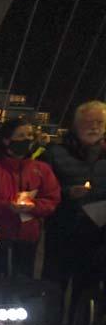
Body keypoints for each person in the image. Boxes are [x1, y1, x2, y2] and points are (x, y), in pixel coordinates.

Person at [0, 118, 60, 281]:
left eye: (29, 135)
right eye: (20, 135)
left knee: (20, 283)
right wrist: (6, 206)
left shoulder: (41, 169)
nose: (26, 139)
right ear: (7, 140)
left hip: (27, 237)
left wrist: (33, 206)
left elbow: (52, 200)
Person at [41, 100, 106, 310]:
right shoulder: (55, 153)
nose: (95, 127)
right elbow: (39, 191)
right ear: (76, 125)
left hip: (96, 236)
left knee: (87, 289)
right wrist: (67, 193)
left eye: (100, 122)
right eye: (89, 122)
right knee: (53, 286)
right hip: (62, 229)